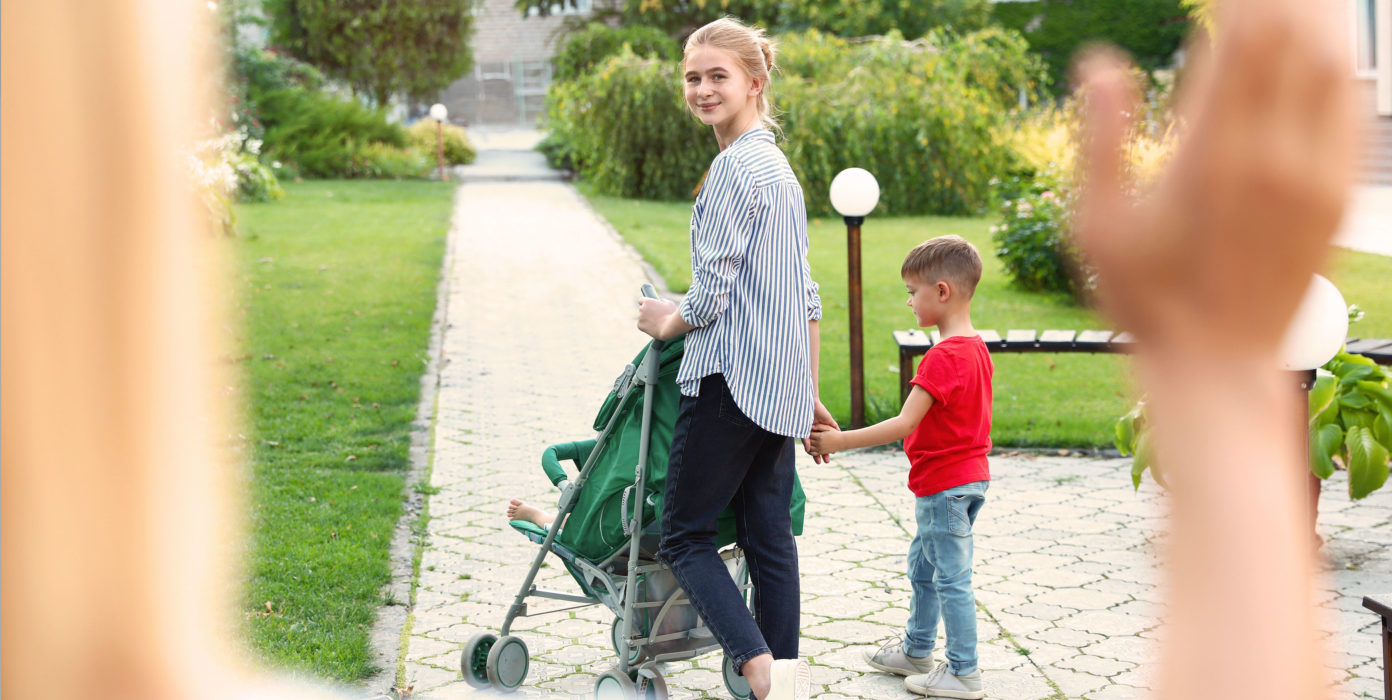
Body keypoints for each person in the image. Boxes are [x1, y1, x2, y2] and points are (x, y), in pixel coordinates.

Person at [634, 16, 831, 700]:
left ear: (755, 80)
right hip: (776, 387)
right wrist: (804, 387)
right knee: (768, 537)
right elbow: (804, 293)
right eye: (693, 77)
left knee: (683, 535)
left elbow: (711, 297)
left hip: (725, 381)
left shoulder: (732, 169)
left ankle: (753, 663)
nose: (703, 89)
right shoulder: (777, 169)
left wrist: (666, 319)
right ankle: (787, 681)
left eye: (718, 76)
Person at [809, 235, 991, 699]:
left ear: (943, 292)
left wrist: (839, 440)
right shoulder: (975, 348)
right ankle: (915, 649)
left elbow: (903, 422)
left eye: (914, 291)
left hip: (944, 488)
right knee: (925, 569)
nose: (909, 301)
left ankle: (964, 672)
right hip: (964, 482)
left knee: (950, 579)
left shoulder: (942, 357)